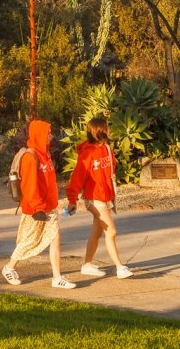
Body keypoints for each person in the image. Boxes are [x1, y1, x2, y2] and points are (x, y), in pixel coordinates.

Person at [1, 118, 76, 290]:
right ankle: (9, 267)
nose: (50, 136)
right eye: (47, 133)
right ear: (38, 135)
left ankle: (57, 277)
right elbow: (29, 185)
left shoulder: (46, 154)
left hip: (48, 206)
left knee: (55, 238)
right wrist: (37, 208)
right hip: (35, 208)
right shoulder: (30, 156)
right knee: (29, 240)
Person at [66, 115, 132, 279]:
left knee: (96, 234)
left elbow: (111, 168)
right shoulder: (86, 154)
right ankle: (119, 267)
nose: (109, 129)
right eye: (107, 127)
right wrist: (72, 199)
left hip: (104, 198)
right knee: (111, 232)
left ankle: (87, 265)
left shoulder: (107, 149)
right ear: (101, 131)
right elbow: (76, 179)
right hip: (94, 199)